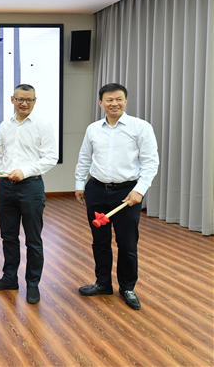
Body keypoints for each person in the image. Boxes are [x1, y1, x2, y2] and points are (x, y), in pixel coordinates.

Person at [75, 83, 159, 310]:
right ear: (100, 103)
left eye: (119, 99)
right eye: (109, 100)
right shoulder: (93, 129)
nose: (114, 104)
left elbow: (151, 162)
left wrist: (139, 190)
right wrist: (79, 184)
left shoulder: (141, 127)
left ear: (125, 101)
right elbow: (84, 158)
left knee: (127, 242)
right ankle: (102, 283)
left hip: (127, 193)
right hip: (96, 190)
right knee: (100, 241)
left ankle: (127, 287)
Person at [0, 84, 58, 304]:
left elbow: (50, 157)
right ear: (12, 100)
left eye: (29, 100)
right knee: (8, 236)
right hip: (5, 187)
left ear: (35, 101)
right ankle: (9, 278)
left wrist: (24, 172)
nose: (24, 103)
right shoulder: (5, 125)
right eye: (20, 99)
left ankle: (33, 284)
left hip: (31, 187)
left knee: (33, 240)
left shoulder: (43, 125)